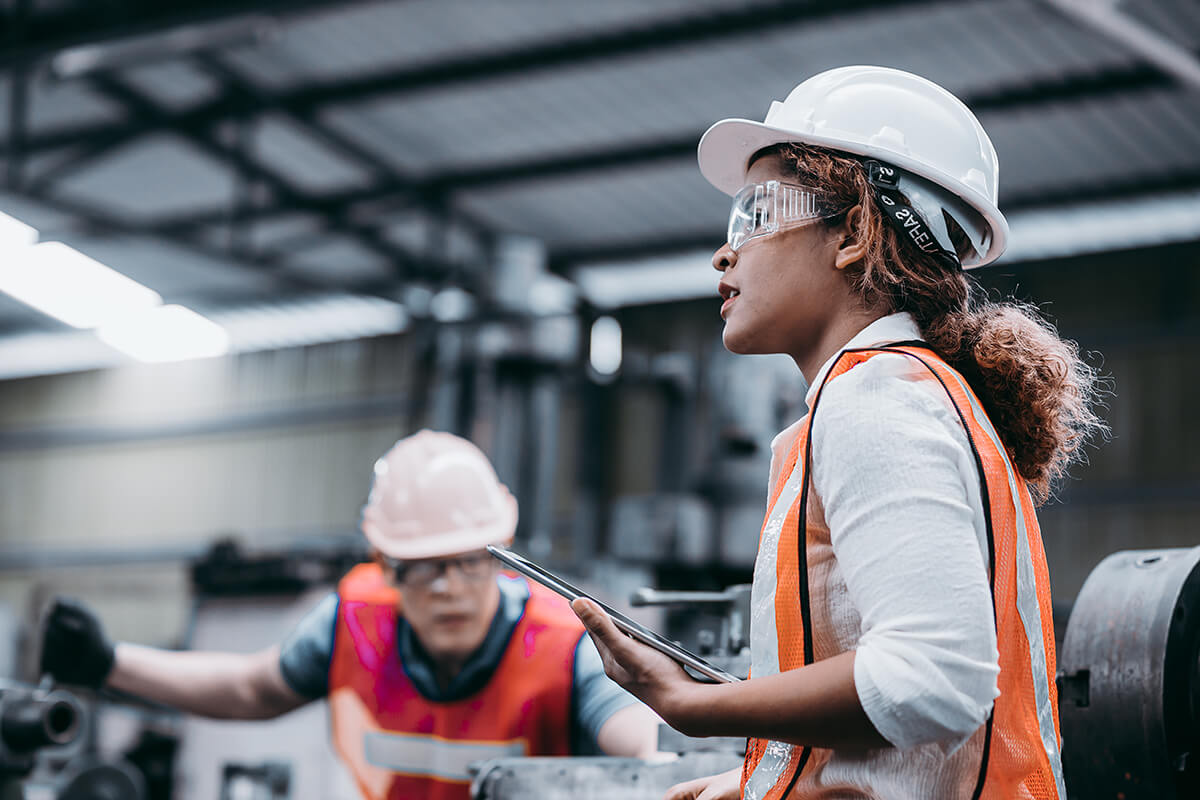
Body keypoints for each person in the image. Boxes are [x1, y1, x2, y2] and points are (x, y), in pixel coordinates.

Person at [571, 66, 1107, 800]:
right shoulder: (905, 394)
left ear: (854, 233)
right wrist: (766, 775)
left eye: (755, 215)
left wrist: (696, 705)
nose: (725, 255)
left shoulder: (877, 401)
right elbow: (921, 728)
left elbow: (934, 678)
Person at [40, 430, 660, 800]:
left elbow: (636, 734)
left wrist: (673, 763)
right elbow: (252, 688)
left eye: (468, 561)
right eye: (422, 565)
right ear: (386, 566)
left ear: (499, 557)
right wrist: (107, 662)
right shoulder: (353, 626)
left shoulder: (562, 644)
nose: (447, 587)